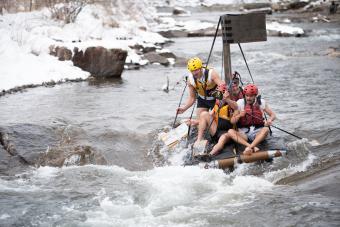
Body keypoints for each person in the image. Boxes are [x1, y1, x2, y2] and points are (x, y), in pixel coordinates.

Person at [228, 84, 276, 155]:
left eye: (251, 96)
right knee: (230, 132)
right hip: (244, 133)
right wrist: (239, 115)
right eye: (247, 95)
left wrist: (269, 120)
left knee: (266, 129)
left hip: (257, 132)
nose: (248, 98)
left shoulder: (261, 102)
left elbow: (273, 115)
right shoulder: (240, 103)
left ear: (255, 96)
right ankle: (250, 146)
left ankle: (250, 147)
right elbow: (232, 121)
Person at [193, 84, 237, 155]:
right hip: (216, 131)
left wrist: (227, 99)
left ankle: (211, 154)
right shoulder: (217, 104)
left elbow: (235, 107)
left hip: (228, 133)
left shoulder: (232, 104)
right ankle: (199, 139)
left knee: (222, 139)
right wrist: (196, 122)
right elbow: (209, 116)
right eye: (217, 96)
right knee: (204, 114)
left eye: (219, 95)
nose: (218, 98)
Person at [177, 57, 224, 121]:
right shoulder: (190, 80)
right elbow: (192, 98)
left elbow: (223, 87)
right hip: (202, 100)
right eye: (192, 71)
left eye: (196, 70)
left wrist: (218, 104)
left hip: (215, 100)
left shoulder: (212, 73)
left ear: (201, 68)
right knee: (200, 123)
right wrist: (184, 109)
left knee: (218, 123)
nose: (194, 73)